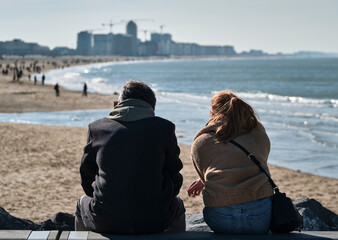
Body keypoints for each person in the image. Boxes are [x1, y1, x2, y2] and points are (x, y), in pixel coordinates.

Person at [75, 81, 185, 234]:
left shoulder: (97, 128)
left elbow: (86, 176)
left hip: (105, 218)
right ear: (151, 106)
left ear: (118, 103)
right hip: (155, 219)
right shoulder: (164, 128)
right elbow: (175, 176)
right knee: (178, 205)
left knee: (81, 203)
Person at [187, 90, 274, 235]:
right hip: (261, 215)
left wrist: (204, 179)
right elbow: (260, 160)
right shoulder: (257, 131)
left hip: (220, 217)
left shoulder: (202, 140)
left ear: (213, 112)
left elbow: (203, 168)